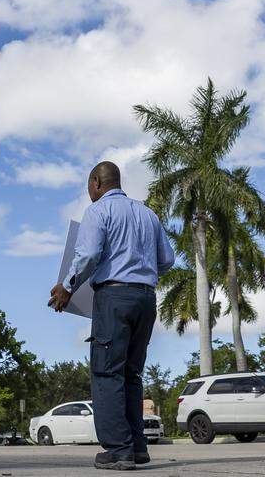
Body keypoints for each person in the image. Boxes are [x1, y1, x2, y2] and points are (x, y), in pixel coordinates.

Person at [48, 161, 175, 470]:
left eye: (89, 187)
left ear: (96, 182)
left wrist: (66, 287)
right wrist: (139, 273)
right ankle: (137, 447)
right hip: (146, 299)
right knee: (131, 374)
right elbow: (168, 259)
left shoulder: (98, 211)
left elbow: (89, 255)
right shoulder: (148, 214)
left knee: (107, 373)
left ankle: (118, 449)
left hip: (114, 297)